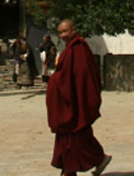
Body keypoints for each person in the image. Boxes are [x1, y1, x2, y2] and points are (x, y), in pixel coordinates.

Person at [46, 19, 112, 176]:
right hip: (69, 101)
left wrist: (56, 80)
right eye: (60, 32)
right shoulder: (71, 49)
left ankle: (89, 163)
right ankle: (95, 161)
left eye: (65, 31)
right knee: (74, 137)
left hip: (75, 101)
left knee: (76, 136)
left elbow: (81, 76)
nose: (63, 35)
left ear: (74, 30)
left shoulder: (79, 49)